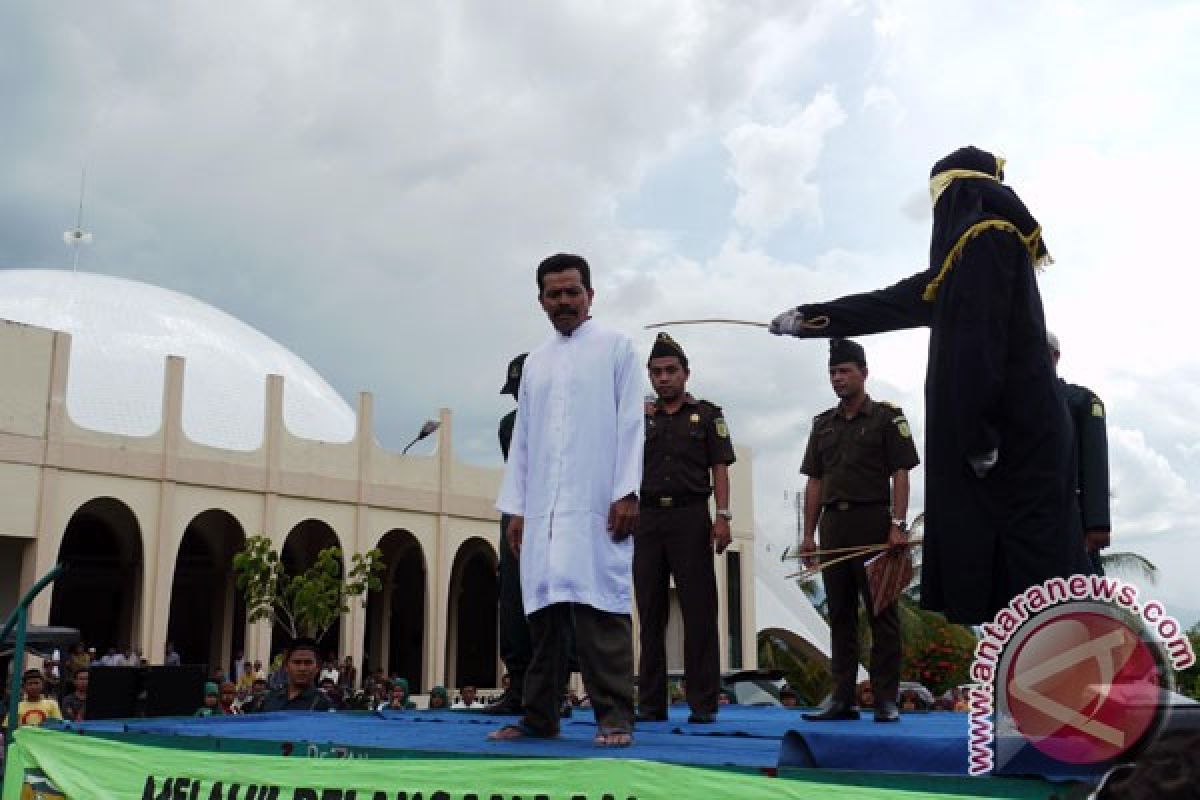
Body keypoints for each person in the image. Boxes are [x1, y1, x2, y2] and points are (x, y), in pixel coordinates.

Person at [770, 146, 1090, 624]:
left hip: (1012, 440)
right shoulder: (964, 258)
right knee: (1010, 579)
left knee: (1032, 579)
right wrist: (814, 319)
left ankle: (1050, 688)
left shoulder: (988, 240)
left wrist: (980, 440)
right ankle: (1025, 690)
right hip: (1005, 441)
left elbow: (979, 349)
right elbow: (895, 302)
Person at [489, 253, 643, 747]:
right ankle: (539, 717)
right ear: (541, 300)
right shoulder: (536, 362)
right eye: (553, 294)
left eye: (572, 292)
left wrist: (627, 492)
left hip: (598, 503)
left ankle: (614, 716)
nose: (563, 301)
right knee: (543, 615)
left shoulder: (617, 348)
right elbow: (525, 444)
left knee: (600, 609)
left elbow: (631, 425)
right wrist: (516, 508)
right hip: (543, 510)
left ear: (590, 295)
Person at [797, 339, 919, 723]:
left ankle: (885, 698)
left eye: (845, 371)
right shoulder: (822, 424)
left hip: (874, 522)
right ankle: (843, 697)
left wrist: (898, 524)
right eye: (833, 372)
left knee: (882, 611)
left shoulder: (886, 418)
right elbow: (814, 481)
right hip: (834, 525)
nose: (838, 378)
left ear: (863, 373)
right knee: (841, 614)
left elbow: (902, 472)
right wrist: (808, 535)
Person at [634, 332, 736, 725]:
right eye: (657, 372)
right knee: (650, 611)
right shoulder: (638, 416)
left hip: (692, 517)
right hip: (647, 518)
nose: (663, 378)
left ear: (686, 373)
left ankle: (703, 703)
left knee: (699, 611)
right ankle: (651, 703)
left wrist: (723, 516)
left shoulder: (708, 415)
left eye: (671, 370)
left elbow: (720, 467)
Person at [486, 353, 579, 719]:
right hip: (518, 512)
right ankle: (519, 687)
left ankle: (555, 692)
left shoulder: (567, 420)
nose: (518, 398)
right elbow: (519, 474)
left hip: (556, 512)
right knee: (512, 604)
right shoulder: (509, 424)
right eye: (515, 392)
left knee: (554, 606)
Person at [1048, 332, 1112, 574]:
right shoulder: (1010, 402)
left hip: (1073, 517)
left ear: (1056, 356)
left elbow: (1095, 462)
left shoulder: (1081, 401)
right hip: (1024, 521)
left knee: (1081, 596)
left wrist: (1097, 523)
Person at [260, 638, 334, 712]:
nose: (302, 668)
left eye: (308, 663)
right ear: (286, 666)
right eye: (297, 662)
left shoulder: (324, 705)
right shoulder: (268, 699)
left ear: (318, 667)